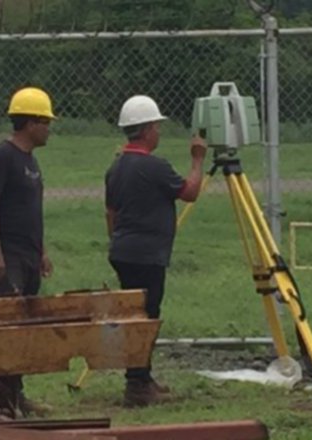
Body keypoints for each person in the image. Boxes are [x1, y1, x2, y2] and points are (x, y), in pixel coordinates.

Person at [104, 95, 207, 407]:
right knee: (146, 317)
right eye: (157, 127)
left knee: (135, 313)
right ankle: (136, 384)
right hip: (147, 254)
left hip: (123, 251)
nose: (159, 133)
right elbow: (189, 192)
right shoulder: (154, 166)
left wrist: (117, 241)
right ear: (147, 129)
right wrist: (198, 160)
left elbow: (111, 212)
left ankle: (142, 378)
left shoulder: (116, 166)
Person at [0, 86, 55, 417]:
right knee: (6, 326)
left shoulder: (31, 161)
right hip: (6, 253)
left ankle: (16, 395)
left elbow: (30, 210)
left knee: (21, 326)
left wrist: (41, 251)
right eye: (46, 122)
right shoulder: (1, 156)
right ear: (31, 123)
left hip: (28, 254)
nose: (50, 128)